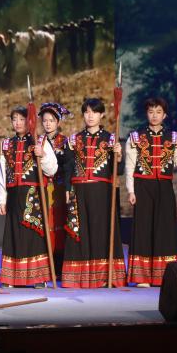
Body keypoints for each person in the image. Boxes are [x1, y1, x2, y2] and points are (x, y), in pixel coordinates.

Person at [125, 97, 177, 287]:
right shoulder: (135, 138)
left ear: (164, 115)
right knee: (143, 228)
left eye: (158, 112)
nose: (154, 116)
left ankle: (164, 274)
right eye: (151, 112)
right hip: (143, 187)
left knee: (165, 228)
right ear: (146, 114)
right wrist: (131, 190)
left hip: (164, 187)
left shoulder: (174, 138)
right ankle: (142, 277)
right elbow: (130, 166)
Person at [61, 97, 125, 288]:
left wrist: (118, 157)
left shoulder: (111, 139)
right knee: (79, 232)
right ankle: (78, 278)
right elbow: (68, 167)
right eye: (87, 112)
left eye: (95, 112)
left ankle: (104, 277)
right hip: (79, 191)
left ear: (102, 115)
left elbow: (118, 171)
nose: (90, 116)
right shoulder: (74, 140)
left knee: (101, 231)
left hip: (101, 192)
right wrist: (67, 189)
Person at [0, 106, 57, 288]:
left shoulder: (40, 141)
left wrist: (43, 155)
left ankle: (38, 278)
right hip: (14, 195)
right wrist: (2, 199)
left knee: (33, 235)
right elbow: (2, 173)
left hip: (34, 195)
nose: (17, 123)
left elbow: (52, 169)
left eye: (22, 119)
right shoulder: (6, 144)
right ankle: (11, 278)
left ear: (29, 121)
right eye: (14, 119)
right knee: (14, 235)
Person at [39, 102, 71, 278]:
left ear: (58, 122)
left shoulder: (65, 142)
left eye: (51, 120)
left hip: (59, 189)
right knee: (46, 225)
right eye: (45, 120)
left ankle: (59, 266)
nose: (48, 124)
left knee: (59, 225)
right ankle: (45, 265)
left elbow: (68, 167)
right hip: (43, 188)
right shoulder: (38, 141)